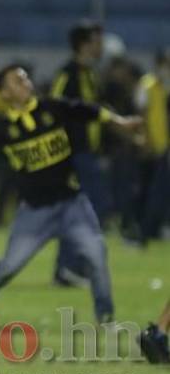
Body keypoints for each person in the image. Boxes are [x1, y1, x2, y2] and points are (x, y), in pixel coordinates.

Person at [0, 65, 140, 323]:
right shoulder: (2, 127)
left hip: (72, 204)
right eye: (16, 81)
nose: (25, 83)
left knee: (96, 256)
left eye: (25, 78)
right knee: (8, 266)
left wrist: (120, 121)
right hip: (35, 211)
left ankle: (105, 317)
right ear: (5, 93)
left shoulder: (51, 107)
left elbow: (85, 109)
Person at [50, 20, 108, 286]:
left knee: (88, 209)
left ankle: (73, 266)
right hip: (72, 154)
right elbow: (52, 109)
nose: (101, 46)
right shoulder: (68, 74)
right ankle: (68, 267)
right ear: (84, 44)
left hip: (87, 152)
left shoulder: (90, 74)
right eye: (97, 41)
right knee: (82, 210)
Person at [133, 48, 170, 245]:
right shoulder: (146, 85)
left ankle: (150, 231)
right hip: (149, 146)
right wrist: (144, 140)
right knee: (146, 190)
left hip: (163, 146)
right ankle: (140, 231)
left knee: (157, 192)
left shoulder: (164, 88)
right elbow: (141, 113)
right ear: (159, 64)